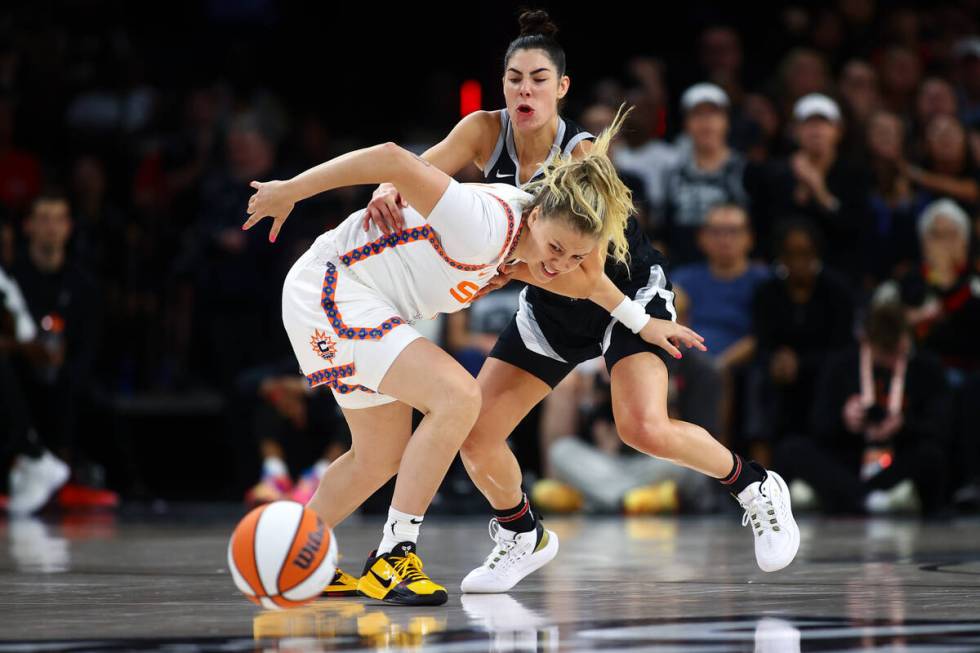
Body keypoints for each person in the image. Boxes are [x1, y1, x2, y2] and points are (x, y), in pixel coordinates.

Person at [359, 10, 799, 597]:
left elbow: (585, 271)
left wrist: (637, 319)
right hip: (551, 299)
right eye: (514, 78)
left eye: (539, 79)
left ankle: (756, 486)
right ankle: (522, 535)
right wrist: (389, 188)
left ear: (562, 88)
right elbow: (419, 168)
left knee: (641, 427)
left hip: (619, 291)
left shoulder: (583, 156)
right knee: (476, 435)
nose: (525, 90)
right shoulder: (482, 132)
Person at [243, 105, 696, 605]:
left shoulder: (537, 245)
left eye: (573, 254)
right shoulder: (482, 223)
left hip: (366, 303)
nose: (558, 264)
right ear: (538, 213)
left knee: (380, 456)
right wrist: (291, 190)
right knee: (458, 395)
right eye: (556, 248)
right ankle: (394, 555)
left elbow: (591, 282)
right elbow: (393, 159)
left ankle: (296, 559)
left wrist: (643, 323)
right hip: (332, 288)